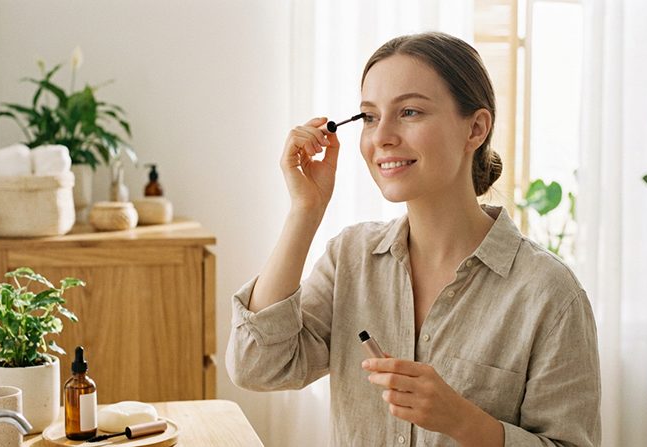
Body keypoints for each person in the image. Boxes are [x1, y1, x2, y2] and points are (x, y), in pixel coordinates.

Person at [227, 32, 600, 447]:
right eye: (369, 117)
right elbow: (257, 366)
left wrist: (465, 422)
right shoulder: (351, 259)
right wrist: (305, 210)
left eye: (409, 111)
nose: (382, 135)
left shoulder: (549, 293)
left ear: (475, 128)